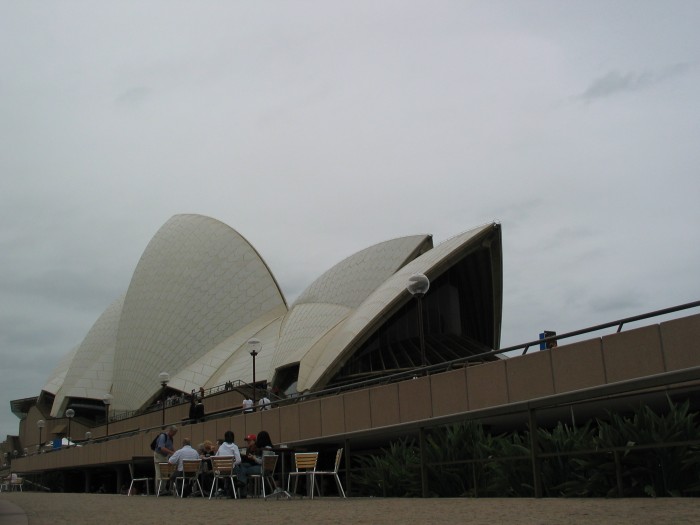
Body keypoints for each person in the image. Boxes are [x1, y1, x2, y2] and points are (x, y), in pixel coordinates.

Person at [215, 430, 242, 498]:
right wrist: (232, 463)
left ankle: (227, 489)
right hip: (230, 470)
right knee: (239, 469)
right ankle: (240, 485)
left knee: (229, 473)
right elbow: (239, 460)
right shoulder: (234, 447)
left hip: (221, 471)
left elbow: (215, 458)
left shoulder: (221, 447)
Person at [236, 433, 262, 498]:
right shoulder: (249, 449)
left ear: (254, 441)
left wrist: (253, 457)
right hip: (251, 466)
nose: (248, 442)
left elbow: (261, 461)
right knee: (242, 468)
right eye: (247, 440)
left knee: (242, 469)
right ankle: (242, 488)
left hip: (259, 467)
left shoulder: (258, 448)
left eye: (249, 440)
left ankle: (242, 491)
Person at [153, 425, 177, 494]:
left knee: (165, 472)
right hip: (159, 455)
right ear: (171, 431)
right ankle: (158, 490)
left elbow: (172, 447)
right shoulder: (163, 436)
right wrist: (172, 453)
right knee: (159, 472)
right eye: (174, 432)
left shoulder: (171, 438)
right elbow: (161, 448)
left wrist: (176, 453)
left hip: (165, 456)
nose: (174, 434)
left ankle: (163, 489)